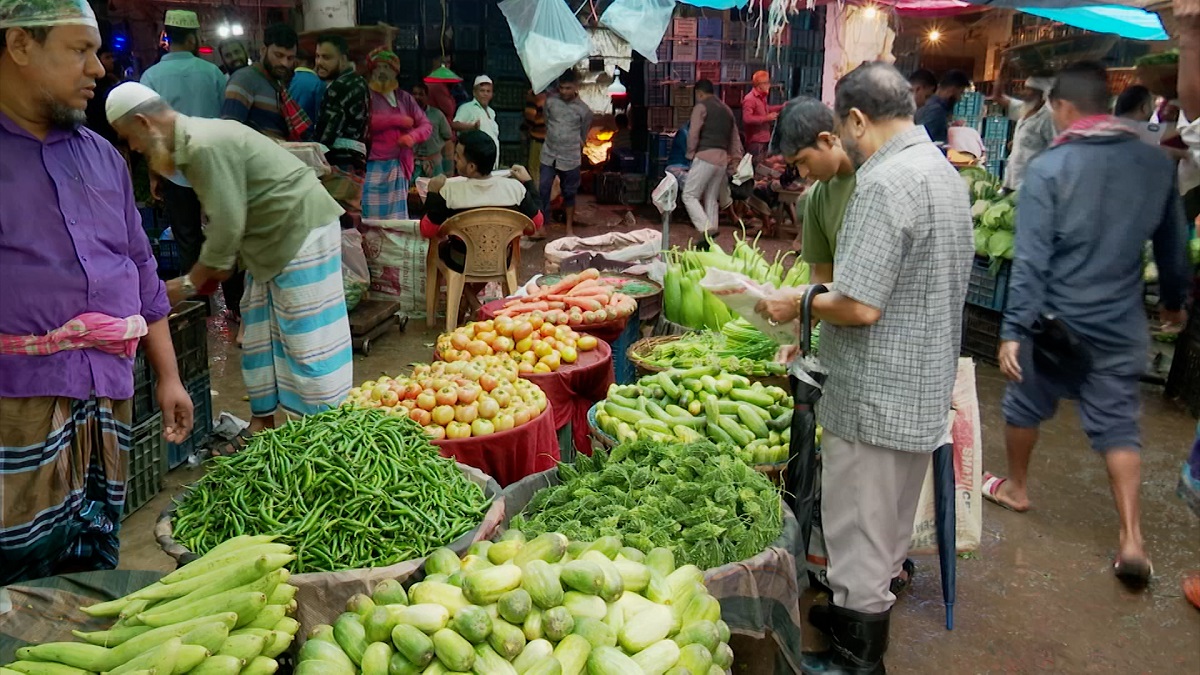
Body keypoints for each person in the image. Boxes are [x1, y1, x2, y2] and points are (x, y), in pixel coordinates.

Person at [757, 62, 973, 673]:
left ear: (855, 120)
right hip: (921, 388)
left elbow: (859, 304)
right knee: (886, 530)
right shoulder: (941, 171)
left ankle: (857, 661)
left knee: (858, 533)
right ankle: (856, 615)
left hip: (875, 396)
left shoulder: (884, 182)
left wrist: (793, 303)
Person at [0, 0, 193, 584]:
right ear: (20, 47)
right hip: (18, 405)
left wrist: (168, 376)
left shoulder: (103, 157)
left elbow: (139, 268)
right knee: (16, 568)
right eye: (79, 50)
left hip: (106, 396)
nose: (99, 69)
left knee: (90, 557)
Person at [981, 61, 1189, 590]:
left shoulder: (1051, 169)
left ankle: (1018, 488)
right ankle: (1132, 539)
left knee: (1024, 402)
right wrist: (1171, 304)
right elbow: (1171, 246)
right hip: (1119, 322)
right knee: (1118, 424)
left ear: (1062, 108)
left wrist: (1013, 329)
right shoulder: (1155, 164)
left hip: (1054, 321)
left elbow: (1030, 260)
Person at [108, 82, 352, 453]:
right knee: (259, 334)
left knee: (308, 342)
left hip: (301, 232)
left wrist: (187, 285)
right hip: (267, 243)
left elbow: (226, 227)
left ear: (144, 123)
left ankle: (326, 435)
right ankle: (263, 423)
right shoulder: (193, 145)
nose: (136, 149)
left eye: (132, 139)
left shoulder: (203, 145)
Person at [140, 9, 227, 276]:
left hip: (174, 169)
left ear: (167, 36)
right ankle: (236, 308)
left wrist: (153, 174)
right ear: (192, 38)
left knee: (187, 238)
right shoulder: (213, 74)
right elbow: (227, 120)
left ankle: (198, 310)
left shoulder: (151, 77)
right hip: (213, 166)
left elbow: (148, 131)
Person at [420, 130, 543, 275]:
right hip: (502, 260)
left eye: (458, 156)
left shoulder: (448, 191)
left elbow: (427, 230)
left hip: (460, 262)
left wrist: (433, 194)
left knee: (440, 249)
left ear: (471, 167)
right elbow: (537, 223)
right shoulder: (515, 189)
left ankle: (464, 296)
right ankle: (471, 297)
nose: (453, 158)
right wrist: (528, 182)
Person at [363, 48, 430, 220]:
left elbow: (425, 125)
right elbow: (366, 121)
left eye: (387, 67)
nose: (383, 72)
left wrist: (412, 137)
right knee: (370, 219)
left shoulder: (404, 98)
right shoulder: (366, 95)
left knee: (396, 219)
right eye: (379, 67)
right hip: (372, 165)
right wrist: (397, 120)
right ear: (372, 70)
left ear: (395, 72)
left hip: (398, 165)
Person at [314, 33, 370, 219]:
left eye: (327, 57)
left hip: (340, 166)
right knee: (349, 221)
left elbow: (326, 135)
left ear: (344, 58)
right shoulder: (359, 82)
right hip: (356, 163)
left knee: (337, 224)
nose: (320, 62)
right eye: (317, 56)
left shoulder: (340, 86)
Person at [683, 78, 743, 242]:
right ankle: (712, 236)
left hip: (705, 156)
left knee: (689, 195)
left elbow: (693, 133)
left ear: (699, 93)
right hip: (722, 159)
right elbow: (734, 137)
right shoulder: (727, 110)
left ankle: (706, 229)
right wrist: (735, 158)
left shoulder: (701, 107)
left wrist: (690, 154)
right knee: (711, 197)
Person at [222, 23, 304, 141]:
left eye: (290, 58)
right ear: (263, 51)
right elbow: (230, 130)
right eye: (278, 55)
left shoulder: (277, 81)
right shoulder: (244, 79)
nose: (284, 63)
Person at [540, 69, 592, 237]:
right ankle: (543, 225)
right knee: (543, 188)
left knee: (569, 193)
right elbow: (547, 122)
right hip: (549, 153)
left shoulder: (584, 110)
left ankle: (569, 228)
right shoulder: (550, 102)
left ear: (576, 87)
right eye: (561, 87)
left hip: (570, 157)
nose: (564, 91)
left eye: (568, 88)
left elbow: (583, 136)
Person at [990, 62, 1055, 191]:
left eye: (1029, 90)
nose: (1024, 92)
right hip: (1011, 180)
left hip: (1030, 185)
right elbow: (997, 97)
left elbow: (1054, 151)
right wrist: (1002, 72)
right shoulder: (1023, 109)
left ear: (1042, 94)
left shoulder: (1048, 118)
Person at [914, 69, 970, 144]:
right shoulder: (936, 110)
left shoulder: (932, 105)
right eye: (960, 93)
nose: (959, 98)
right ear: (952, 89)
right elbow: (926, 139)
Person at [413, 81, 453, 179]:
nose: (417, 97)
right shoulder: (406, 115)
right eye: (415, 94)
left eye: (421, 94)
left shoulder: (437, 115)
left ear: (427, 97)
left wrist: (449, 168)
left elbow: (448, 137)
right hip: (413, 165)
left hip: (435, 164)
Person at [453, 75, 499, 161]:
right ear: (474, 92)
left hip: (491, 160)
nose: (485, 94)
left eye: (488, 91)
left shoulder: (492, 112)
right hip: (475, 162)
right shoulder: (467, 108)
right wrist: (472, 127)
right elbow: (455, 124)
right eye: (482, 91)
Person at [743, 70, 783, 161]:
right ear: (759, 85)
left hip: (764, 140)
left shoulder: (762, 98)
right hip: (756, 142)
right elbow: (747, 118)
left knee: (763, 167)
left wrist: (781, 107)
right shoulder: (749, 99)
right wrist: (767, 118)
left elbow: (766, 109)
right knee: (757, 168)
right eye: (766, 83)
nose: (769, 85)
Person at [84, 44, 119, 145]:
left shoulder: (112, 80)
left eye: (113, 57)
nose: (112, 60)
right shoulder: (93, 85)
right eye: (107, 57)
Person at [289, 48, 325, 124]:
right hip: (307, 130)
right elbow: (319, 114)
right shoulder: (318, 83)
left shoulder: (286, 79)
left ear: (296, 62)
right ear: (312, 64)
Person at [523, 88, 546, 183]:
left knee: (534, 169)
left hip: (538, 138)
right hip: (553, 139)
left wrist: (524, 129)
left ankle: (536, 195)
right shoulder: (554, 94)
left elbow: (530, 116)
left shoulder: (534, 95)